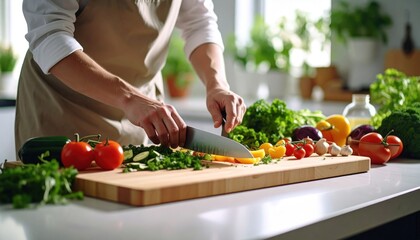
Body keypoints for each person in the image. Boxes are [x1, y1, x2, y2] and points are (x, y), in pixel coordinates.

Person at [15, 0, 246, 152]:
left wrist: (217, 84)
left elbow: (199, 23)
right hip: (63, 110)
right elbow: (50, 36)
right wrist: (129, 98)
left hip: (143, 116)